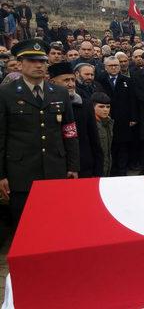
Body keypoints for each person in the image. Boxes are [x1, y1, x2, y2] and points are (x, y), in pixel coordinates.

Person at [0, 39, 79, 223]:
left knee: (56, 221)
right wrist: (1, 175)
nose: (39, 65)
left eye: (42, 61)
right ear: (19, 64)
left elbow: (70, 132)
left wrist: (73, 166)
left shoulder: (59, 93)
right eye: (32, 61)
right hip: (21, 173)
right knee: (26, 225)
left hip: (55, 168)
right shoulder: (5, 94)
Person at [49, 61, 103, 178]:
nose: (71, 84)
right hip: (56, 167)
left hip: (84, 165)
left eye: (73, 80)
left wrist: (98, 171)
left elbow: (94, 139)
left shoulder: (85, 104)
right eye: (66, 80)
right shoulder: (45, 106)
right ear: (52, 82)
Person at [95, 56, 138, 176]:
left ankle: (122, 170)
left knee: (123, 145)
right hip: (105, 119)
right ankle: (111, 170)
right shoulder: (99, 80)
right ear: (105, 67)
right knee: (109, 146)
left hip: (123, 119)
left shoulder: (127, 80)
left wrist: (133, 117)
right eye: (111, 66)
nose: (114, 68)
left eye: (116, 65)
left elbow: (132, 100)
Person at [92, 92, 114, 177]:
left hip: (107, 165)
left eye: (108, 107)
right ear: (93, 107)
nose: (105, 110)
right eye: (101, 106)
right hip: (95, 169)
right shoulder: (91, 124)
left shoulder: (109, 122)